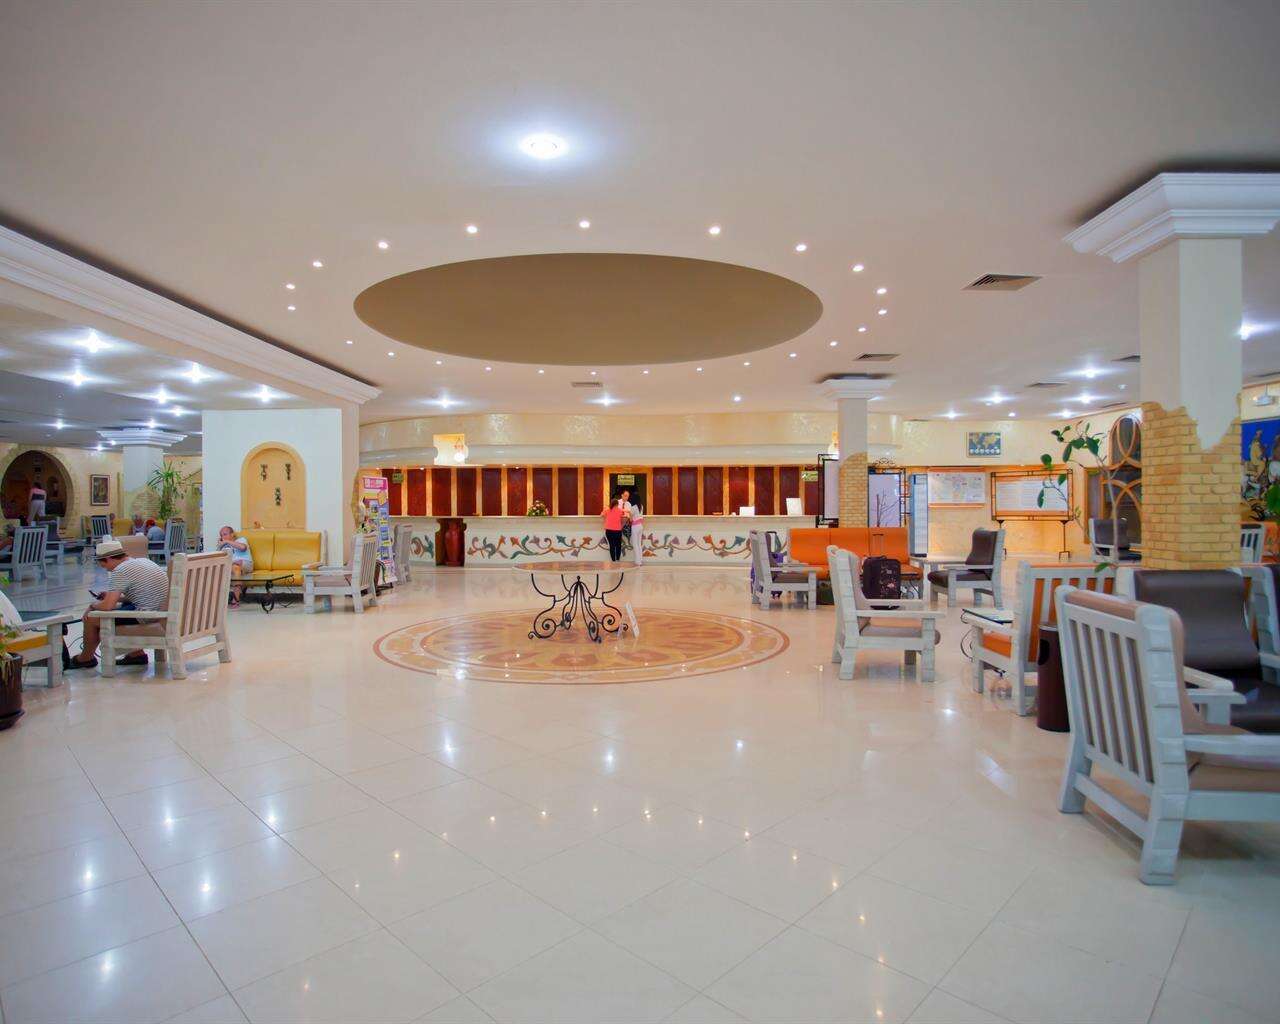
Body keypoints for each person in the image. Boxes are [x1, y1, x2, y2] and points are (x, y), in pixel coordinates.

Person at [66, 539, 169, 670]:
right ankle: (136, 654)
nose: (107, 569)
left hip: (147, 616)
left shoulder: (120, 570)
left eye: (104, 565)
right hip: (160, 611)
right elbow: (142, 595)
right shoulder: (143, 561)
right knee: (120, 608)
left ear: (108, 559)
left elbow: (107, 606)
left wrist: (92, 606)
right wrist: (116, 598)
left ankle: (86, 658)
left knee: (92, 618)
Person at [217, 525, 253, 606]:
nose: (223, 537)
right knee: (233, 567)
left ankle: (236, 599)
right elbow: (220, 559)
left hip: (246, 563)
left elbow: (243, 548)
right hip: (233, 566)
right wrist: (220, 546)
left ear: (232, 534)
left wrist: (227, 541)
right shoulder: (224, 546)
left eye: (225, 534)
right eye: (221, 535)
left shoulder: (241, 540)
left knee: (236, 568)